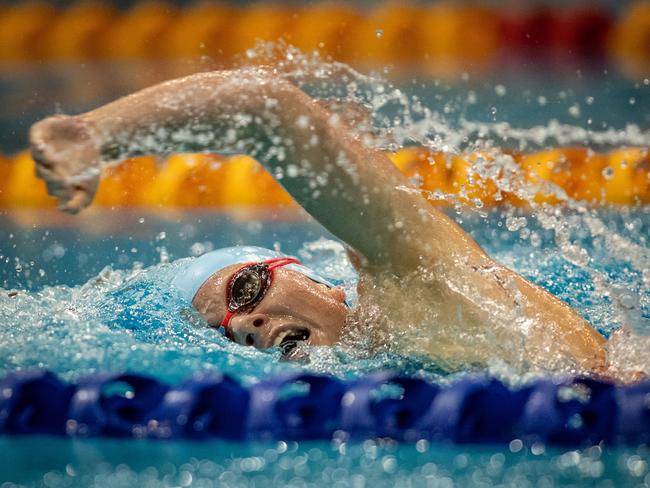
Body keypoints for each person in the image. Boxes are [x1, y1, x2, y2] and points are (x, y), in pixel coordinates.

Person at [29, 67, 607, 374]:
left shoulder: (411, 278)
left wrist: (93, 136)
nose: (244, 325)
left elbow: (265, 109)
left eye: (245, 289)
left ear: (316, 278)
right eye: (225, 330)